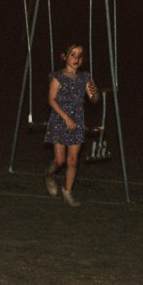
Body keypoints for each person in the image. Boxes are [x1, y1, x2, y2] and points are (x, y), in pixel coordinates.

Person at [43, 43, 99, 208]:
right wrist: (66, 117)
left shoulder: (85, 78)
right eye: (73, 54)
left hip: (77, 121)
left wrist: (95, 92)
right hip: (60, 119)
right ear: (64, 57)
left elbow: (94, 100)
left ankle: (67, 191)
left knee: (73, 160)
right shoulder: (58, 77)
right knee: (60, 160)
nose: (76, 58)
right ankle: (48, 175)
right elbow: (51, 99)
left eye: (80, 56)